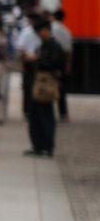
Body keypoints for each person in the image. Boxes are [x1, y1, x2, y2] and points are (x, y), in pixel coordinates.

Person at [26, 18, 65, 158]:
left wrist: (36, 59)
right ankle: (38, 145)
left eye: (40, 31)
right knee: (35, 116)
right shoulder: (43, 45)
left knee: (46, 116)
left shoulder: (54, 46)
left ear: (47, 30)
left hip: (47, 84)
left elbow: (55, 64)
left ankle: (47, 147)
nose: (39, 34)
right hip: (39, 83)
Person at [51, 10, 73, 122]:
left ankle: (49, 113)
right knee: (62, 89)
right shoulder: (66, 31)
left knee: (49, 86)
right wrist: (68, 64)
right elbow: (69, 51)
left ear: (53, 17)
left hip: (51, 61)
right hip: (63, 61)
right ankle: (63, 113)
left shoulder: (51, 29)